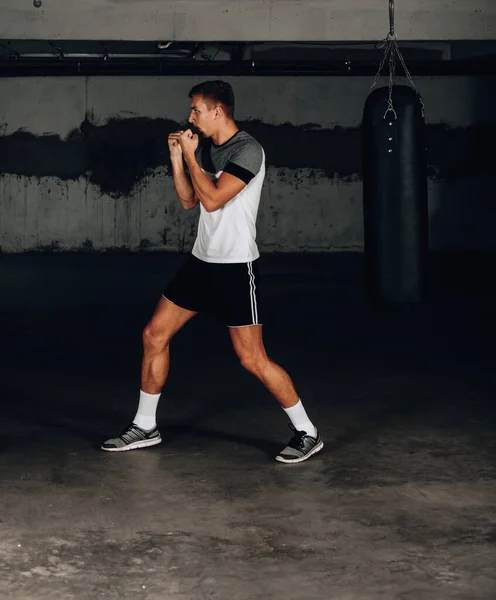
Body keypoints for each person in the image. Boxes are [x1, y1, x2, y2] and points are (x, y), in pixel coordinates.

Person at [101, 80, 323, 464]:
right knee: (154, 335)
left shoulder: (248, 150)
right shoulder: (205, 146)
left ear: (217, 111)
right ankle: (145, 425)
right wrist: (177, 157)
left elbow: (214, 198)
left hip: (236, 269)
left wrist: (190, 156)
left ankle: (307, 431)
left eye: (196, 111)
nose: (190, 117)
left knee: (252, 359)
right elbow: (190, 201)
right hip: (201, 264)